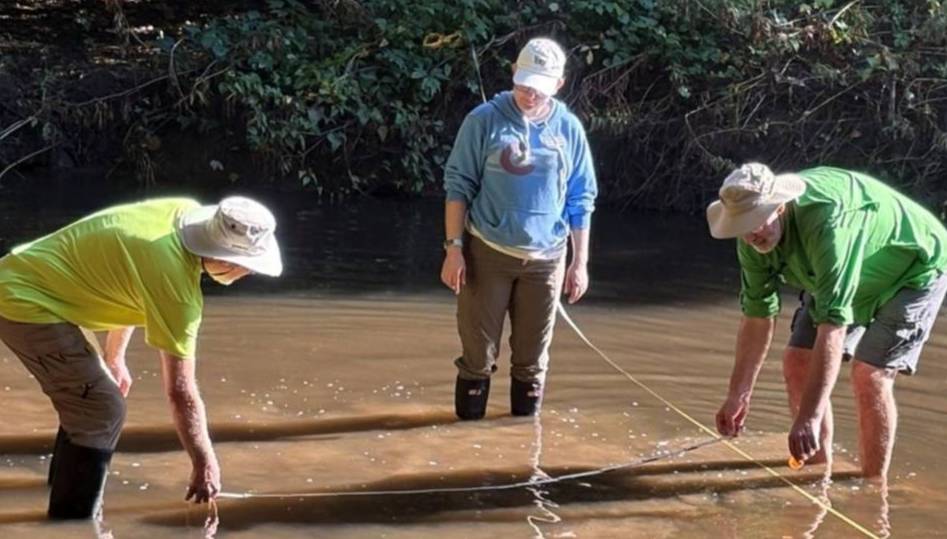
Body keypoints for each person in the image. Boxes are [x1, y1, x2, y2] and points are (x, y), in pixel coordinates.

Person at [0, 196, 282, 518]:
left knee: (91, 402)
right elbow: (181, 393)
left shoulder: (181, 211)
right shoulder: (177, 290)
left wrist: (115, 356)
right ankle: (71, 524)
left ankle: (64, 494)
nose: (247, 274)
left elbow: (127, 276)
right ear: (227, 260)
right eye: (248, 267)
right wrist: (204, 464)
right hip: (24, 302)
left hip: (25, 280)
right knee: (100, 409)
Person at [707, 163, 947, 478]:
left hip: (912, 270)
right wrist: (738, 394)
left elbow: (833, 325)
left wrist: (809, 417)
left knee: (869, 375)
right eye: (743, 226)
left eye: (757, 221)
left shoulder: (827, 222)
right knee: (796, 362)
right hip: (844, 276)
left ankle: (873, 490)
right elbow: (757, 315)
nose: (753, 234)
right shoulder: (751, 240)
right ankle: (817, 475)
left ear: (779, 206)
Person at [440, 37, 597, 420]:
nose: (530, 95)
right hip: (487, 253)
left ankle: (523, 449)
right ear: (513, 74)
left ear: (559, 85)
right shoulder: (483, 120)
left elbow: (581, 198)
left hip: (546, 261)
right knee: (477, 358)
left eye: (539, 89)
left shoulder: (569, 129)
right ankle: (464, 446)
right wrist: (454, 249)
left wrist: (580, 264)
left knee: (531, 361)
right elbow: (458, 185)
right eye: (524, 85)